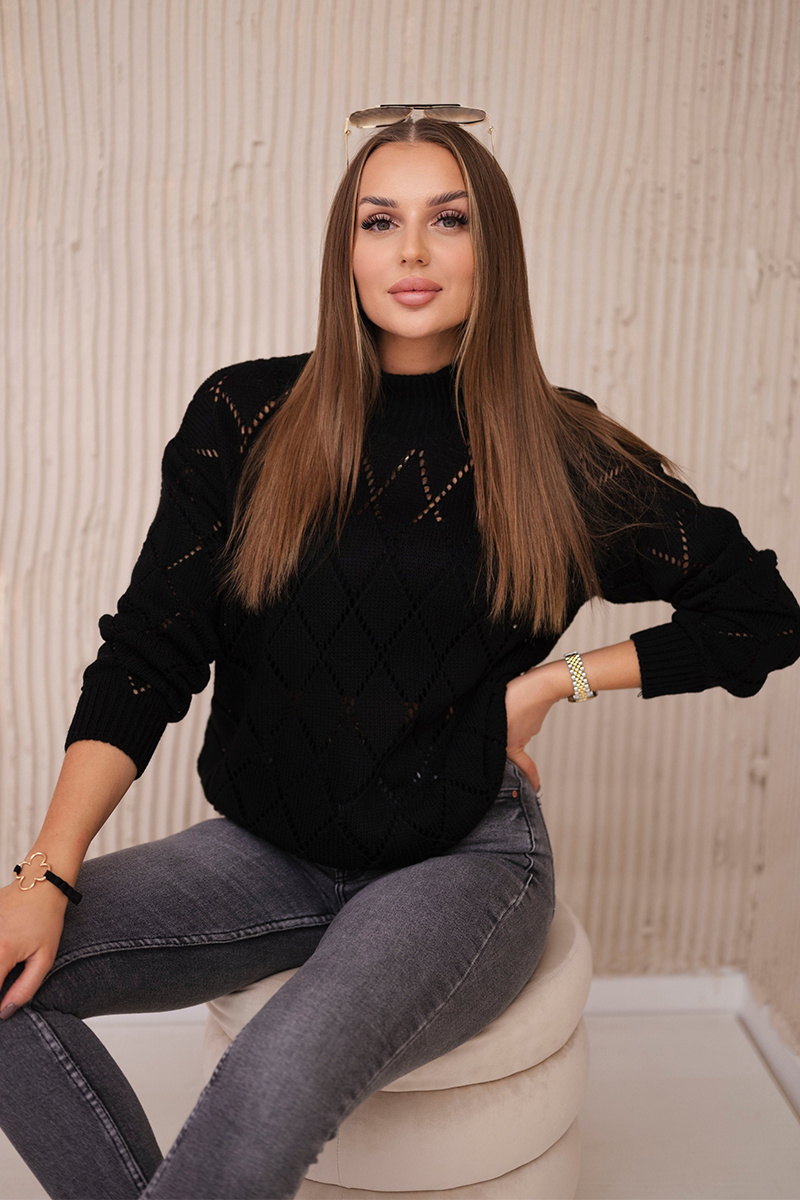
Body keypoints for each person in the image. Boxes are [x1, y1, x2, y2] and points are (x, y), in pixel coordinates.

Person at [1, 112, 798, 1200]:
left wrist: (556, 681)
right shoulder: (245, 414)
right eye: (380, 221)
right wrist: (45, 871)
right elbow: (149, 650)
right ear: (346, 248)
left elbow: (760, 613)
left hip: (461, 857)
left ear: (491, 247)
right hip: (271, 849)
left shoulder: (557, 448)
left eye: (448, 220)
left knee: (272, 1072)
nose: (412, 251)